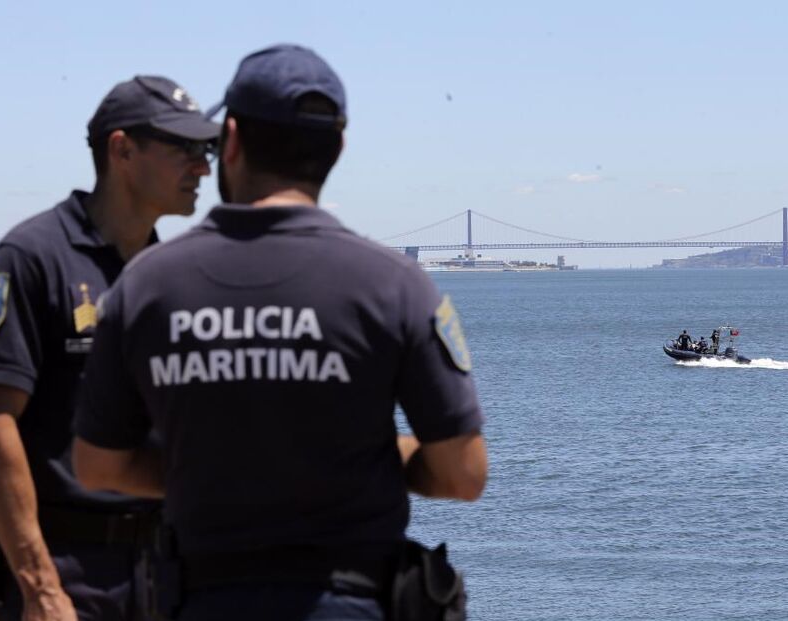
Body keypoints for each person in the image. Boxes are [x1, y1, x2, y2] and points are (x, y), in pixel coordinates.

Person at [72, 44, 488, 621]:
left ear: (231, 140)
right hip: (352, 600)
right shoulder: (396, 286)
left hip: (202, 598)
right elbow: (462, 473)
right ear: (338, 148)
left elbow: (98, 467)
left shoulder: (146, 284)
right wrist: (347, 464)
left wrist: (224, 470)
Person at [0, 76, 219, 621]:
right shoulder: (30, 258)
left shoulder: (169, 276)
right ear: (122, 150)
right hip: (65, 574)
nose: (203, 169)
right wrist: (41, 588)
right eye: (185, 149)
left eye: (207, 151)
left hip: (163, 573)